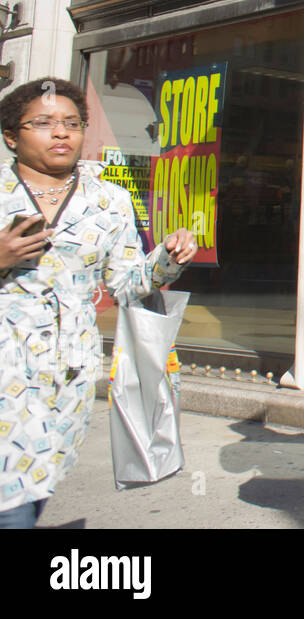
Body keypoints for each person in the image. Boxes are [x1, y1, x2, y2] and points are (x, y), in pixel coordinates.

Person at [0, 78, 197, 529]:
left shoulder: (108, 200)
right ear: (12, 135)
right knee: (12, 507)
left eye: (72, 123)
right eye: (44, 123)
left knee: (31, 494)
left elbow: (128, 285)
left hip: (67, 375)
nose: (62, 133)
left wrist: (167, 256)